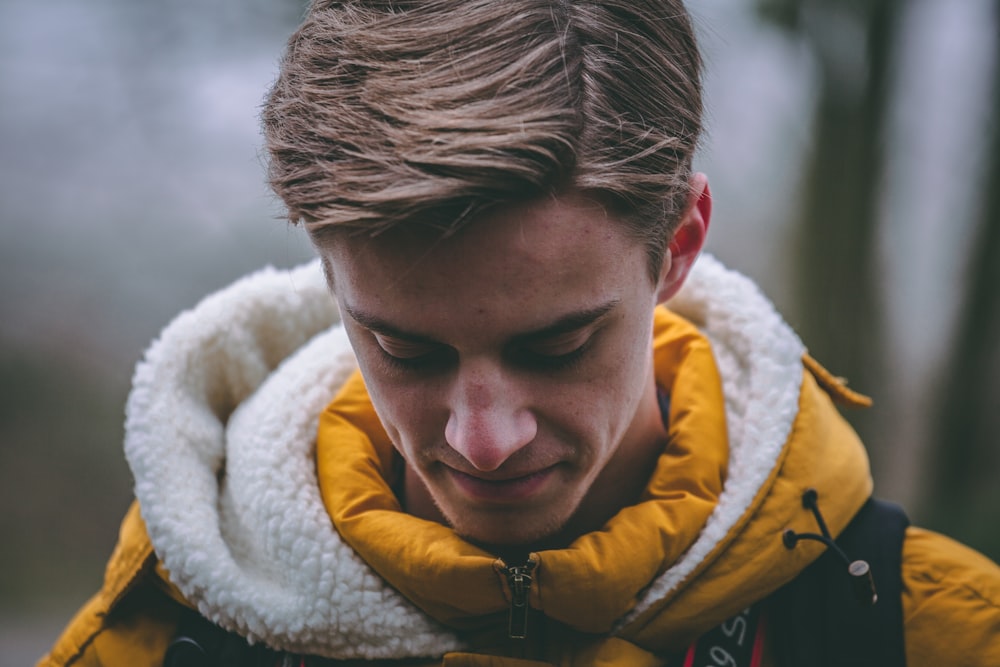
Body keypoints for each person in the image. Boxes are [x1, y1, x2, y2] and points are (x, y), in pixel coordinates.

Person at [40, 1, 1000, 665]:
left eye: (557, 346)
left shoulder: (926, 632)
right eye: (406, 350)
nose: (481, 439)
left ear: (678, 245)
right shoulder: (176, 634)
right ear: (329, 276)